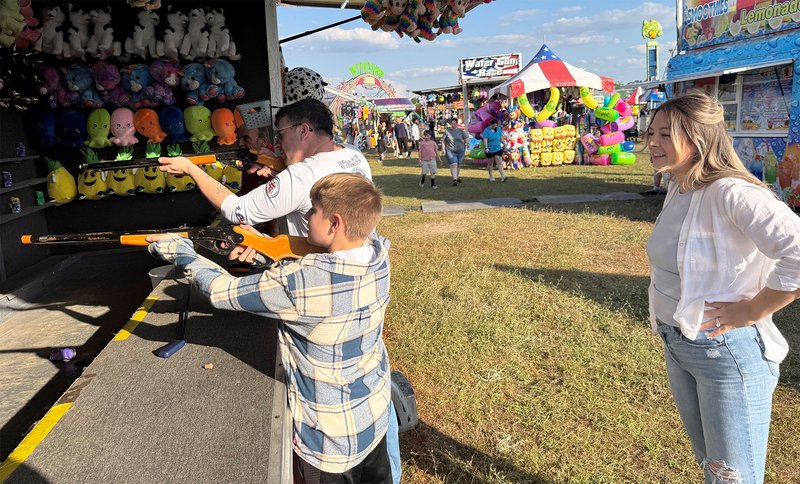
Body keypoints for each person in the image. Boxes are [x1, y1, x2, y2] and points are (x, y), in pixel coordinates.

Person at [147, 173, 394, 483]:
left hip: (329, 443)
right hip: (373, 414)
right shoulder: (378, 253)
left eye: (313, 210)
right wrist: (263, 254)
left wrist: (180, 251)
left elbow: (220, 291)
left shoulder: (301, 282)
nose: (306, 216)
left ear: (335, 223)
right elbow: (315, 289)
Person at [645, 91, 800, 484]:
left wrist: (752, 310)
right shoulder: (680, 187)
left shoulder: (732, 192)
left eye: (666, 134)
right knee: (714, 469)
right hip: (679, 343)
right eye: (651, 133)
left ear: (697, 138)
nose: (652, 143)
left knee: (733, 477)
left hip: (724, 354)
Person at [157, 99, 372, 237]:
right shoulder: (353, 153)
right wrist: (279, 167)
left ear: (304, 131)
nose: (278, 143)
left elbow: (236, 210)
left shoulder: (300, 177)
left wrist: (190, 168)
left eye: (281, 134)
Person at [442, 118, 468, 186]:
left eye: (454, 123)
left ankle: (457, 177)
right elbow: (443, 141)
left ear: (457, 124)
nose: (453, 125)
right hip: (450, 150)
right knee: (453, 164)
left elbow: (466, 138)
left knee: (458, 165)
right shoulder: (447, 131)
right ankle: (455, 180)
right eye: (452, 124)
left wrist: (467, 144)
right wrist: (443, 149)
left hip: (460, 151)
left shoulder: (460, 131)